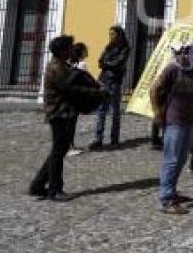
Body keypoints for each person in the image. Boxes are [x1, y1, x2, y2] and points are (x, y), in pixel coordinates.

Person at [30, 35, 108, 202]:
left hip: (65, 113)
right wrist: (97, 92)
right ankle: (54, 190)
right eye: (69, 47)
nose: (72, 50)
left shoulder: (62, 66)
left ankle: (37, 186)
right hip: (60, 114)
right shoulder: (56, 68)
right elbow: (71, 89)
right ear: (62, 50)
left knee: (59, 150)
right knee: (59, 151)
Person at [150, 43, 193, 214]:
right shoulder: (171, 69)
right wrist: (157, 113)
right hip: (173, 120)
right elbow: (154, 89)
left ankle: (172, 191)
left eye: (187, 52)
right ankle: (166, 199)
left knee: (182, 158)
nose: (185, 56)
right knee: (171, 160)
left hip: (188, 119)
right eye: (182, 53)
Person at [89, 25, 130, 151]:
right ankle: (98, 138)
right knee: (101, 110)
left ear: (119, 35)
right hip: (103, 81)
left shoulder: (125, 48)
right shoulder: (108, 47)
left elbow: (118, 62)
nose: (110, 36)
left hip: (115, 82)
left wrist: (107, 64)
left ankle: (114, 139)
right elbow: (100, 61)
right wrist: (107, 64)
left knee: (115, 111)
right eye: (109, 34)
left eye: (112, 34)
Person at [66, 42, 89, 157]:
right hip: (75, 97)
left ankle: (68, 145)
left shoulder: (68, 63)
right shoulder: (82, 64)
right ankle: (70, 147)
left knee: (67, 122)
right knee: (71, 123)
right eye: (85, 50)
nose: (87, 52)